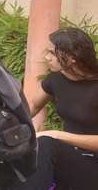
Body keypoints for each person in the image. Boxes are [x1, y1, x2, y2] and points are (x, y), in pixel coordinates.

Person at [10, 27, 98, 190]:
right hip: (69, 157)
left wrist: (57, 135)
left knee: (46, 143)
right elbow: (33, 106)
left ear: (72, 57)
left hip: (93, 163)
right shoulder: (56, 80)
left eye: (52, 53)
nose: (46, 57)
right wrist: (7, 126)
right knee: (16, 151)